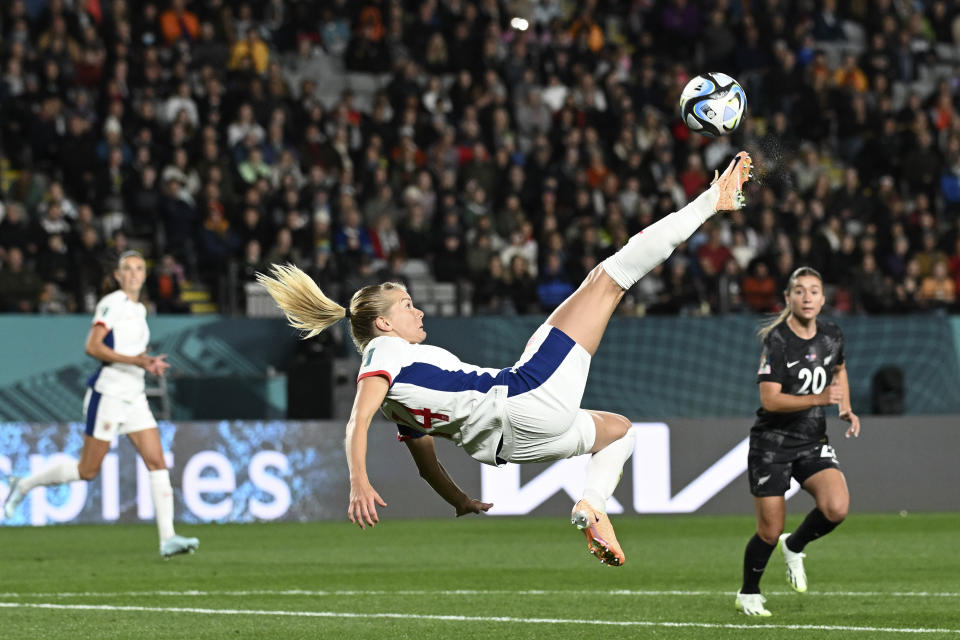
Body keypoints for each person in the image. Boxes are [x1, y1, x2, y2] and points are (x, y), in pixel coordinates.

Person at [258, 153, 753, 567]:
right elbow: (356, 418)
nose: (418, 309)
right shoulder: (386, 351)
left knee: (620, 432)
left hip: (509, 448)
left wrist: (461, 501)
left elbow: (425, 460)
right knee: (611, 274)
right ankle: (714, 200)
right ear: (383, 324)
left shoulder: (399, 399)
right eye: (407, 305)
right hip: (526, 395)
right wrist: (359, 479)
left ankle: (592, 507)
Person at [3, 251, 199, 559]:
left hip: (134, 395)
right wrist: (136, 360)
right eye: (128, 269)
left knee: (157, 462)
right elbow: (92, 346)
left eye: (139, 268)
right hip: (108, 394)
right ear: (119, 276)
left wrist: (145, 363)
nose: (134, 274)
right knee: (87, 470)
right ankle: (24, 484)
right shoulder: (112, 303)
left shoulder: (140, 310)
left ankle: (168, 538)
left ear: (144, 275)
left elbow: (132, 351)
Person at [736, 266, 861, 616]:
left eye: (814, 291)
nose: (807, 297)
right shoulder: (776, 341)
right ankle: (749, 592)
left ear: (823, 299)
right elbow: (770, 400)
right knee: (768, 529)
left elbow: (839, 370)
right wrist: (820, 400)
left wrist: (845, 407)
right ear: (788, 298)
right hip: (772, 444)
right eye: (800, 291)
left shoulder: (832, 334)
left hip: (810, 439)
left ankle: (795, 544)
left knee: (836, 507)